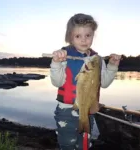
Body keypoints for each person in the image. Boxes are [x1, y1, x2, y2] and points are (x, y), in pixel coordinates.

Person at [50, 13, 121, 150]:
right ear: (70, 37)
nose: (83, 40)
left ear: (93, 35)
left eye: (88, 35)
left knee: (84, 146)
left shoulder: (97, 60)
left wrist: (112, 66)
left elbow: (104, 83)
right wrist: (56, 63)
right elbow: (57, 82)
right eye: (78, 36)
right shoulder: (64, 56)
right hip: (66, 111)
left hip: (88, 110)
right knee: (67, 145)